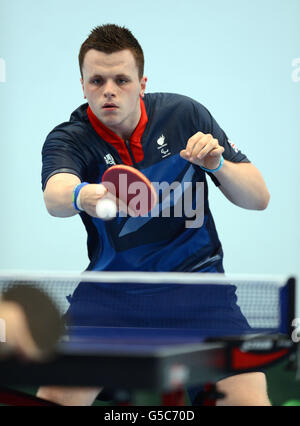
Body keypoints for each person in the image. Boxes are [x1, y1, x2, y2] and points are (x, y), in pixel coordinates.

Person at [38, 24, 271, 406]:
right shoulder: (70, 138)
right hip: (110, 298)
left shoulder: (185, 116)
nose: (108, 90)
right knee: (54, 397)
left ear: (142, 83)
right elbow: (55, 194)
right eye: (96, 80)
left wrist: (217, 166)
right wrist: (85, 194)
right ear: (82, 85)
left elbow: (259, 197)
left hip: (199, 294)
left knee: (247, 400)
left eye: (121, 79)